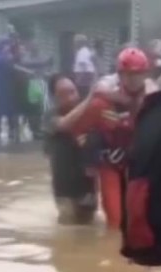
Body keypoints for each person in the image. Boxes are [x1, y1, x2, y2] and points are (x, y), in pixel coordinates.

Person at [62, 47, 153, 230]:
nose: (133, 79)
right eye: (127, 74)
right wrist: (93, 156)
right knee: (115, 222)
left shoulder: (153, 99)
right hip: (110, 165)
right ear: (119, 74)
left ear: (145, 74)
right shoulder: (102, 103)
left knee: (142, 219)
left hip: (138, 165)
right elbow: (78, 131)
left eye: (137, 74)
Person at [43, 74, 97, 224]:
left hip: (87, 188)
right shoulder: (49, 117)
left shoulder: (90, 114)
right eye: (64, 94)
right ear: (55, 98)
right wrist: (90, 97)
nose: (71, 97)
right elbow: (64, 124)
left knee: (89, 228)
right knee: (68, 230)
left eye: (72, 91)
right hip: (64, 191)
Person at [0, 38, 19, 139]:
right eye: (6, 45)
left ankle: (12, 130)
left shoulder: (11, 56)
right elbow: (0, 62)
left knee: (10, 109)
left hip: (9, 86)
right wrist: (8, 57)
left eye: (8, 45)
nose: (7, 47)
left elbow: (15, 66)